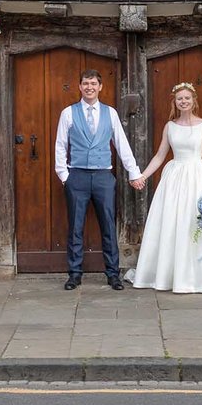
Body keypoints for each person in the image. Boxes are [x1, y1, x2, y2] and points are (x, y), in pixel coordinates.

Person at [127, 82, 202, 293]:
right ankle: (169, 275)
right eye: (180, 99)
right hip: (174, 178)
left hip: (197, 177)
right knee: (171, 222)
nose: (183, 101)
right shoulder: (170, 126)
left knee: (195, 223)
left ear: (193, 100)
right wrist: (142, 176)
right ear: (175, 102)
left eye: (187, 98)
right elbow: (160, 155)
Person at [54, 68, 145, 291]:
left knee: (108, 225)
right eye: (85, 83)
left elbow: (122, 145)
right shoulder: (68, 113)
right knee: (75, 227)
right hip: (77, 175)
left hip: (104, 176)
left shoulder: (110, 113)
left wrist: (133, 172)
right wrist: (64, 176)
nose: (89, 87)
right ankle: (74, 274)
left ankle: (113, 274)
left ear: (100, 87)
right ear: (80, 86)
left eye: (93, 83)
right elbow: (60, 145)